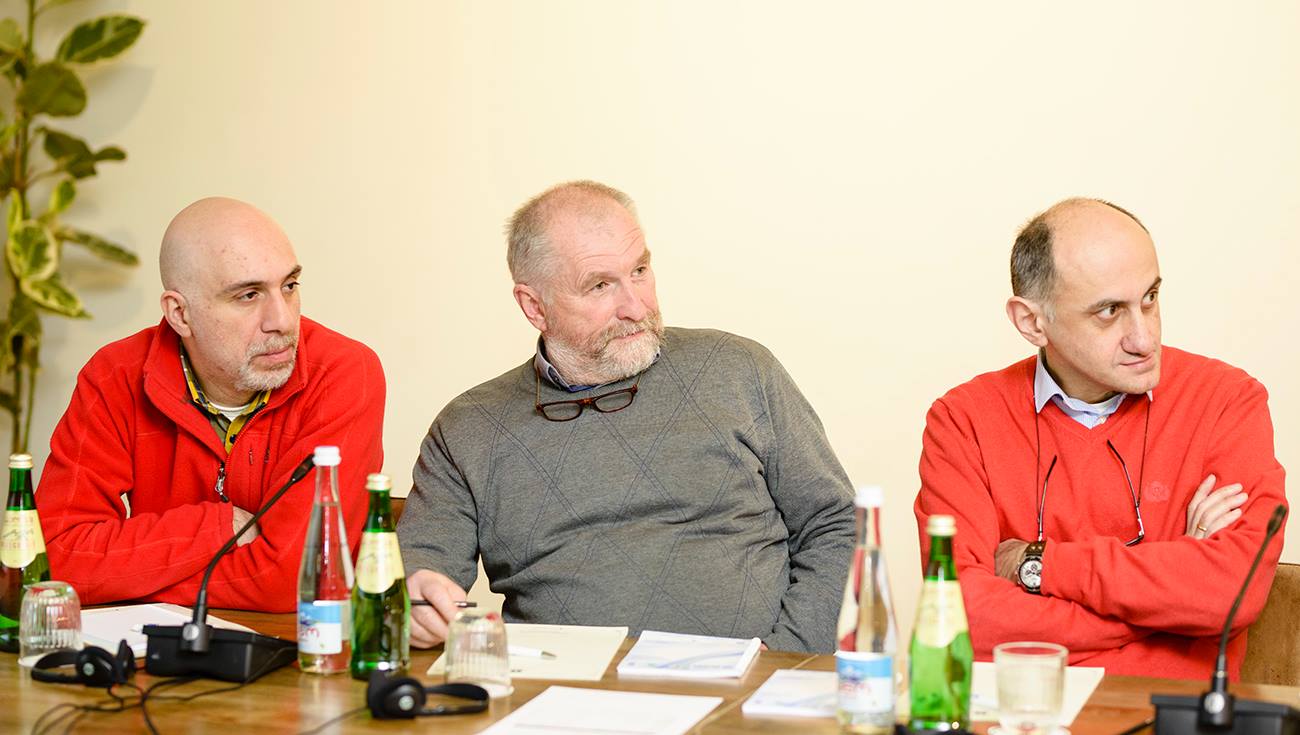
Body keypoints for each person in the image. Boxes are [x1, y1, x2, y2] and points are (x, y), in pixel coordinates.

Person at [398, 180, 854, 653]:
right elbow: (419, 574)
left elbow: (835, 523)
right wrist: (417, 603)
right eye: (599, 285)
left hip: (752, 681)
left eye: (639, 270)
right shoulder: (468, 427)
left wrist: (785, 658)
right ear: (535, 307)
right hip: (561, 687)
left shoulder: (738, 368)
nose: (635, 307)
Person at [914, 198, 1286, 679]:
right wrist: (1168, 606)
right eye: (1109, 311)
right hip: (1023, 712)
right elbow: (963, 619)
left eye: (1150, 298)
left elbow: (1229, 593)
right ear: (1032, 322)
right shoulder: (962, 421)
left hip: (1173, 714)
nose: (1144, 339)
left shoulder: (1227, 401)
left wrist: (1036, 564)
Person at [37, 197, 385, 611]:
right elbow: (54, 558)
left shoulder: (345, 372)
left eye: (289, 286)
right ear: (180, 314)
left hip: (298, 646)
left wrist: (119, 578)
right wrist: (219, 526)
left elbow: (295, 577)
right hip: (157, 645)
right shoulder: (115, 376)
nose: (282, 320)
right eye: (248, 295)